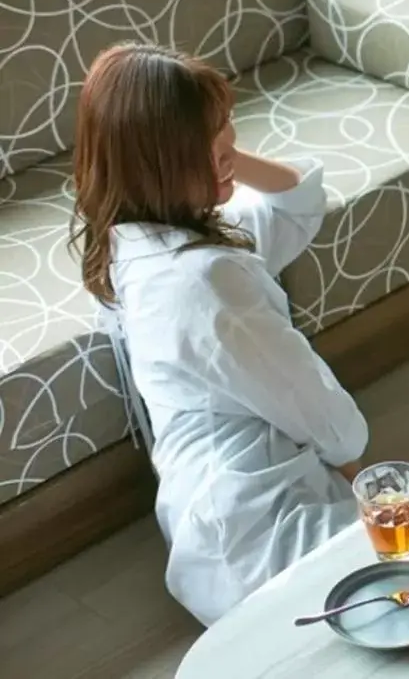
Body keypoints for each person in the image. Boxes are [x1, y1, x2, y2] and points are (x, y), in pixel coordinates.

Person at [71, 42, 369, 626]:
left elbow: (296, 202)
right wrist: (357, 465)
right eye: (211, 134)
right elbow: (327, 415)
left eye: (225, 122)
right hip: (260, 527)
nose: (231, 138)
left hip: (209, 520)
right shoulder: (203, 281)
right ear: (163, 159)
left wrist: (221, 157)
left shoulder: (136, 242)